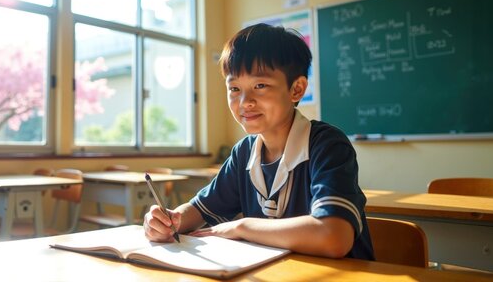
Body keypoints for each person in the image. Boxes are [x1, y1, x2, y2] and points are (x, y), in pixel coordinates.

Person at [143, 23, 374, 259]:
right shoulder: (244, 152)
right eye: (234, 88)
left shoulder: (326, 145)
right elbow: (197, 210)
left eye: (260, 86)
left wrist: (241, 227)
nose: (245, 102)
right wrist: (167, 221)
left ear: (296, 89)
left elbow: (333, 237)